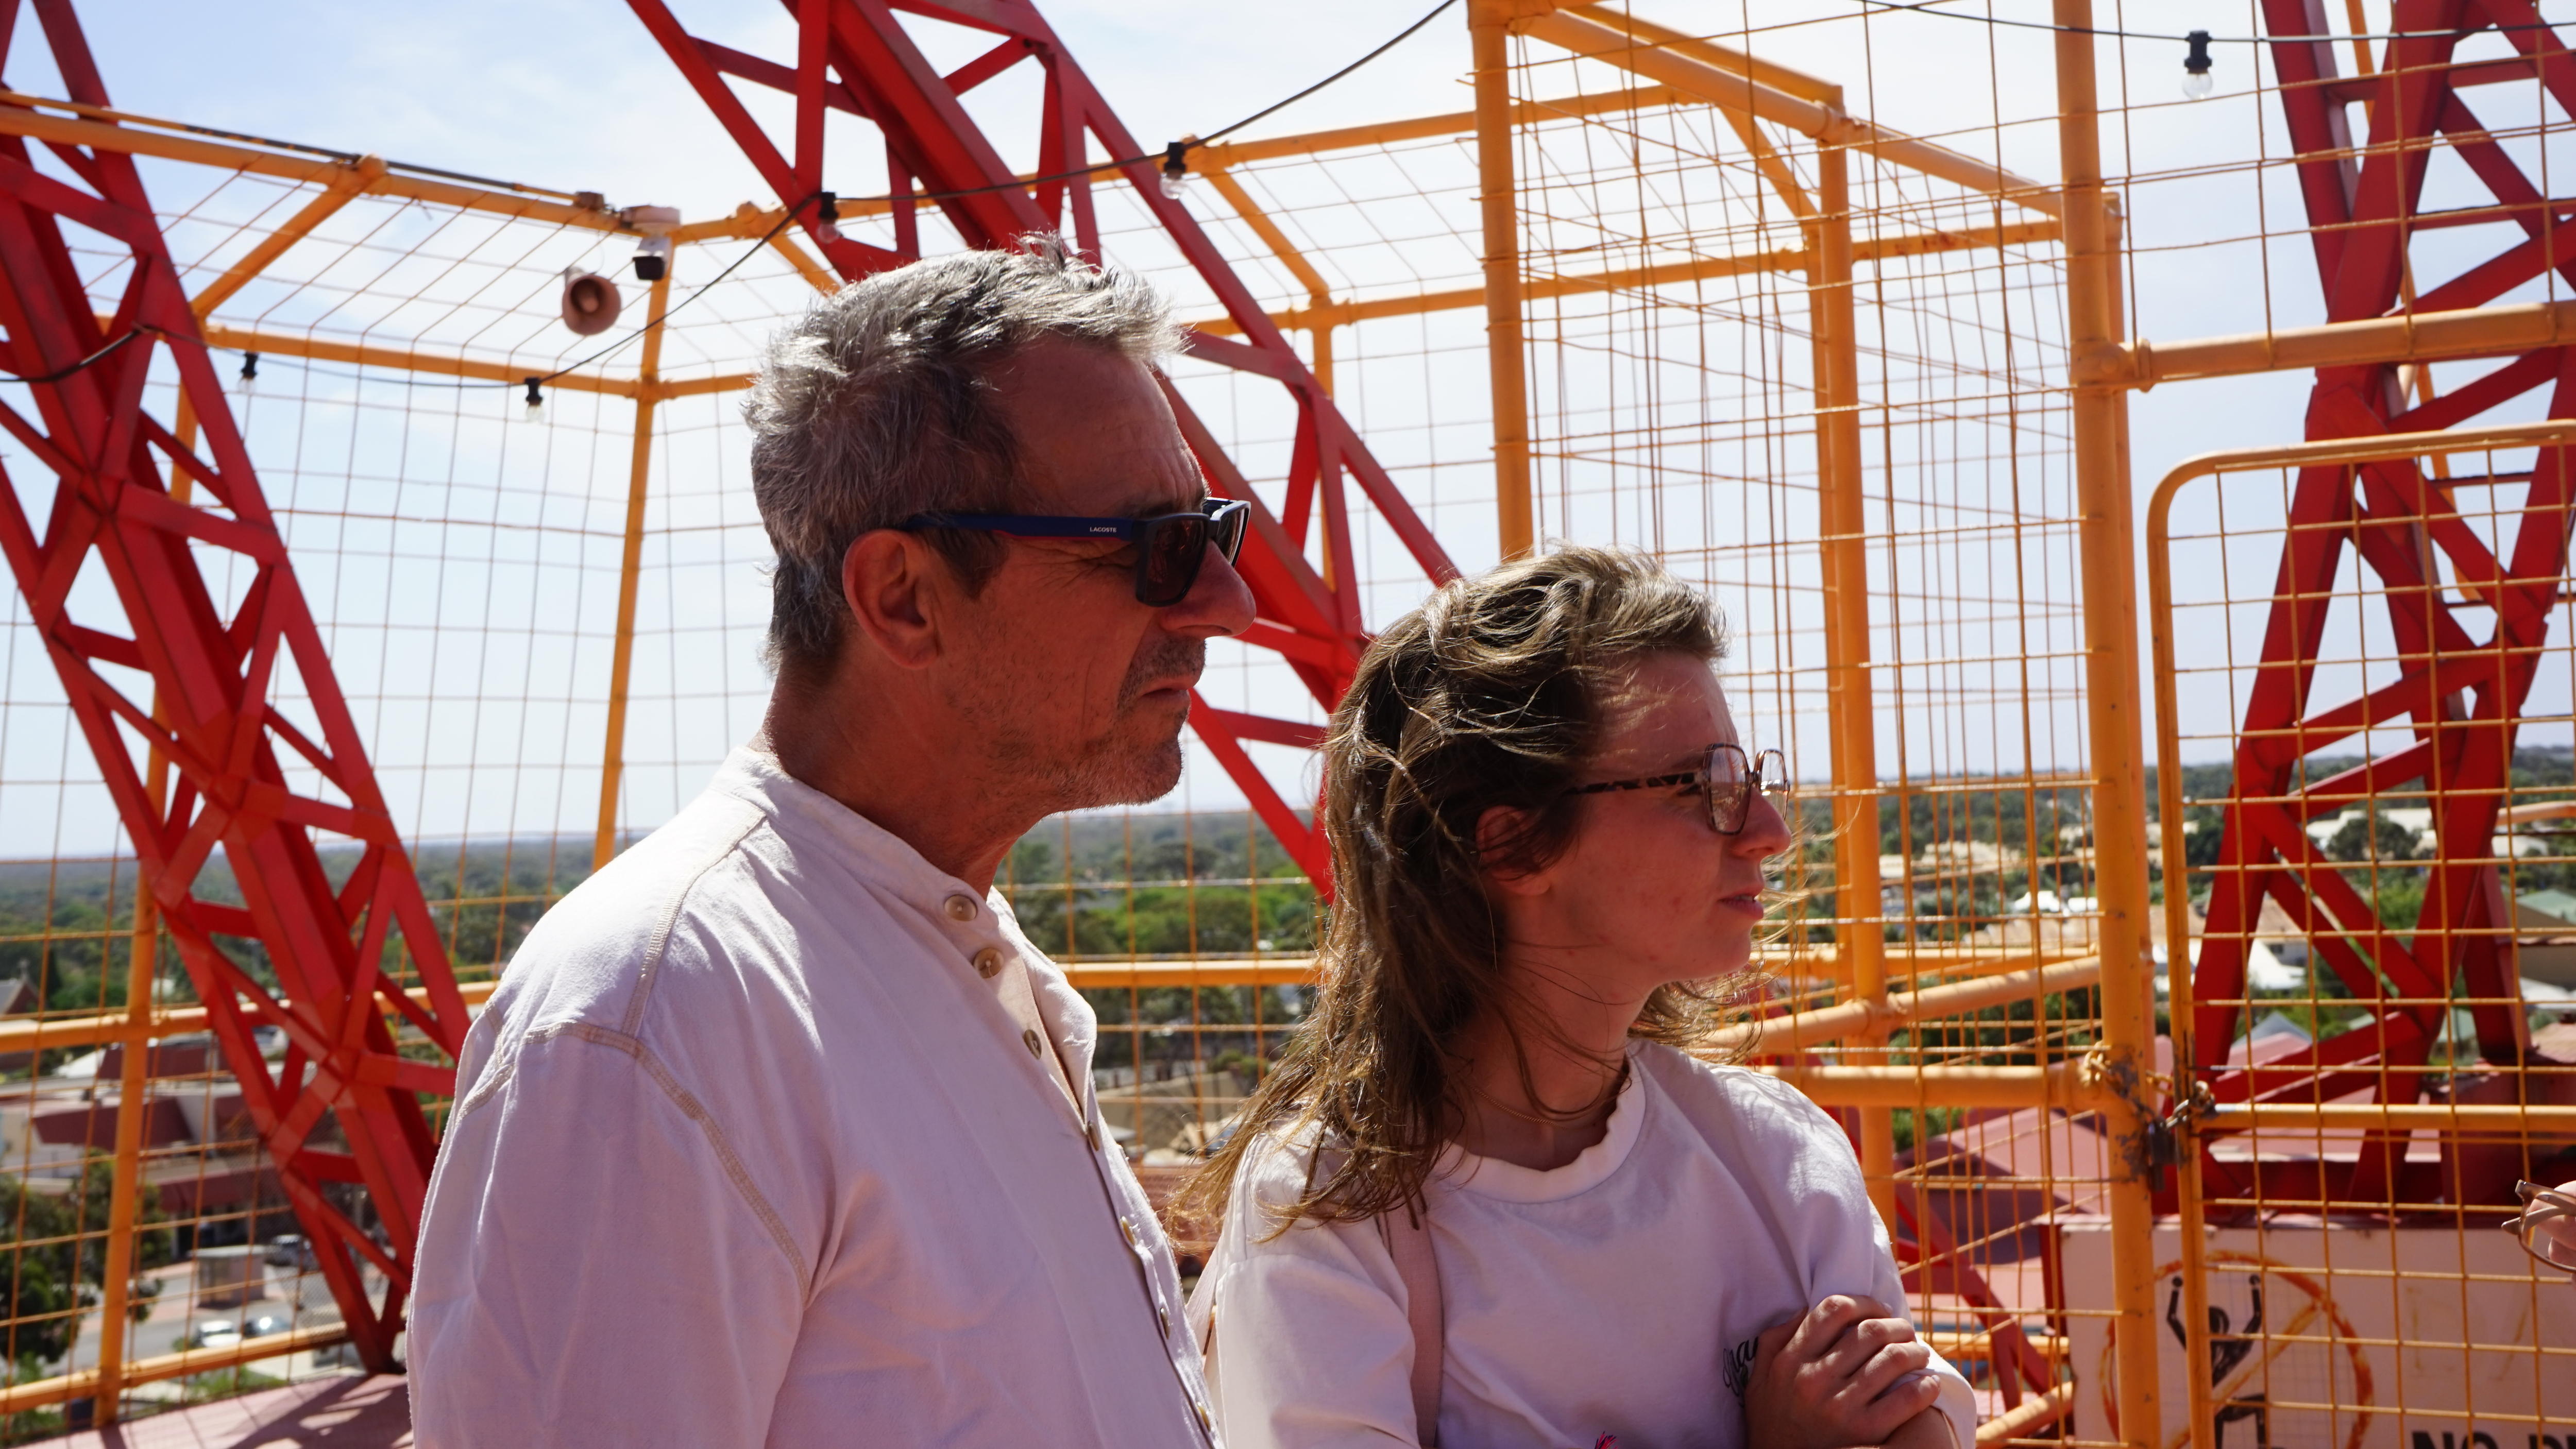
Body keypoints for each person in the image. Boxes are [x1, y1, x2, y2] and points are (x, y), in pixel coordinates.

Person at [408, 240, 1254, 1446]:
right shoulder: (655, 1023)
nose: (1226, 601)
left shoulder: (921, 941)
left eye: (1213, 531)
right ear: (903, 598)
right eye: (1155, 546)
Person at [1182, 546, 1977, 1449]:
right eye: (1707, 786)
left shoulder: (1776, 1152)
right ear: (1513, 846)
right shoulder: (1330, 1210)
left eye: (1753, 779)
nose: (1769, 830)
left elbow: (1918, 1420)